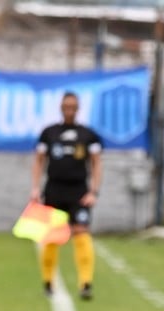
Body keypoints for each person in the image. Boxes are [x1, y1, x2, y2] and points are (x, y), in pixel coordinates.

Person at [30, 91, 102, 300]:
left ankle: (86, 283)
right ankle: (48, 282)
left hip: (79, 191)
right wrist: (35, 188)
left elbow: (97, 164)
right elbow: (39, 161)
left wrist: (94, 191)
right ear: (61, 108)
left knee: (81, 232)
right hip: (54, 189)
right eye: (66, 106)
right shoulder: (49, 133)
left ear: (78, 108)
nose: (69, 110)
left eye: (73, 106)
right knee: (52, 236)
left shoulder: (88, 135)